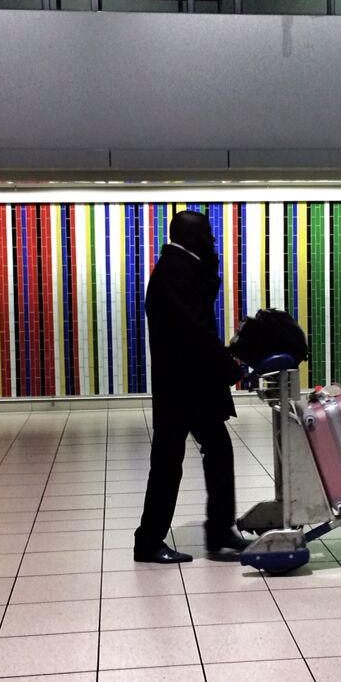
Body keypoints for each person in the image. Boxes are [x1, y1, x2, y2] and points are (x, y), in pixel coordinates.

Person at [134, 209, 249, 564]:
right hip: (182, 387)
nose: (212, 241)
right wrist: (227, 366)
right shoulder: (174, 273)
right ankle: (149, 541)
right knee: (168, 462)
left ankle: (218, 529)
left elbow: (198, 320)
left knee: (216, 450)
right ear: (189, 236)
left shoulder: (181, 269)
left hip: (188, 386)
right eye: (207, 235)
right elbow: (195, 331)